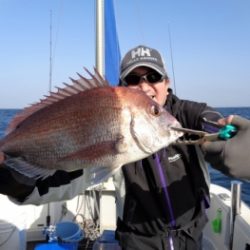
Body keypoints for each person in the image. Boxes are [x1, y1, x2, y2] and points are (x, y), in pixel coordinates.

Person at [1, 45, 250, 249]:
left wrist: (230, 143)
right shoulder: (117, 129)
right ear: (122, 86)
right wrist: (15, 180)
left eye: (153, 77)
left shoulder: (187, 114)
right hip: (136, 242)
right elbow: (69, 177)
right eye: (133, 79)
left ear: (167, 81)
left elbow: (213, 125)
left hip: (192, 239)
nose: (144, 86)